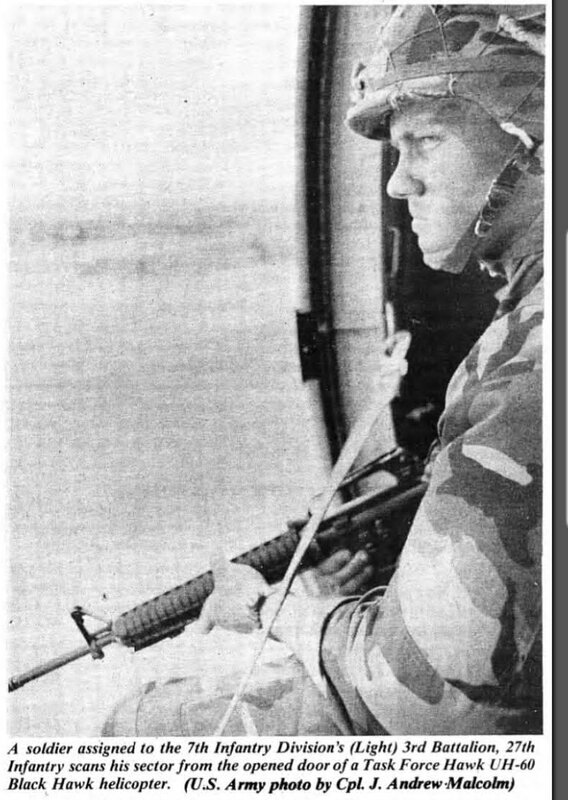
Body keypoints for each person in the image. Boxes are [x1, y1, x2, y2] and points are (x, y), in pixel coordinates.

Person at [104, 5, 544, 736]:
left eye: (426, 142)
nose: (398, 185)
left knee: (143, 726)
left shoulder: (529, 364)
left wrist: (288, 613)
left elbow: (430, 701)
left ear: (530, 139)